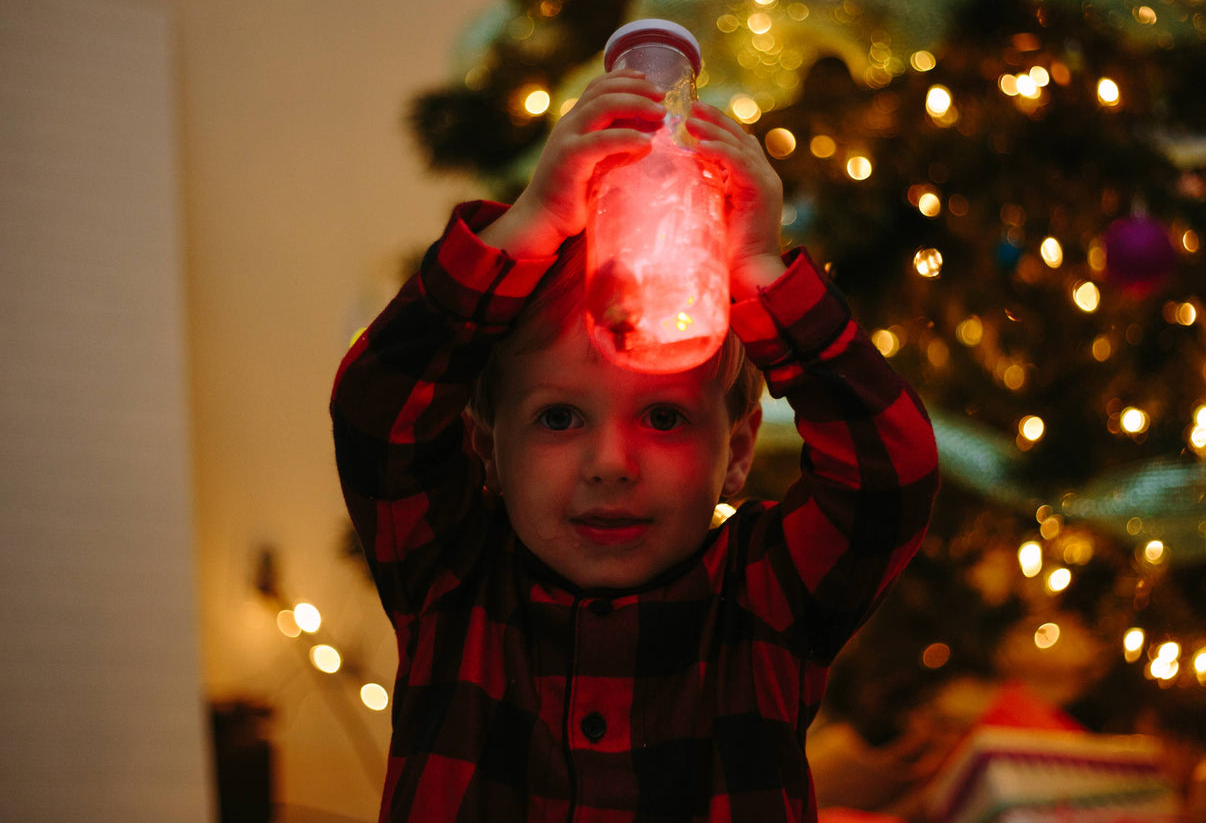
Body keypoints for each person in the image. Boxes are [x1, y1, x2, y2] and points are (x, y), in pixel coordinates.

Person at [332, 68, 939, 822]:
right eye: (558, 418)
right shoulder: (451, 573)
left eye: (663, 418)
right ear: (487, 441)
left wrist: (759, 274)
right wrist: (531, 224)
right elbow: (377, 407)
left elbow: (891, 474)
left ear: (739, 447)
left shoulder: (765, 597)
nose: (611, 464)